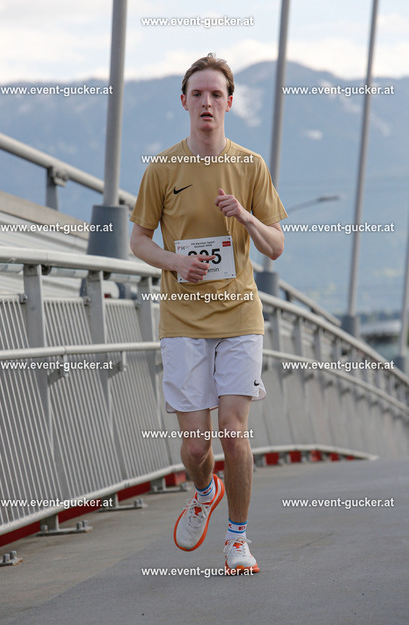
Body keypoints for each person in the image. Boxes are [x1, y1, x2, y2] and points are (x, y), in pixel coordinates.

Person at [130, 53, 287, 575]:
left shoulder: (250, 166)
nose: (206, 102)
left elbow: (275, 247)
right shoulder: (162, 168)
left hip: (239, 316)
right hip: (183, 320)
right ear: (184, 101)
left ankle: (237, 540)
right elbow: (138, 240)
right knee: (197, 447)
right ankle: (204, 491)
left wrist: (246, 217)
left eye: (216, 94)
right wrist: (176, 262)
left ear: (229, 103)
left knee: (234, 432)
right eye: (197, 93)